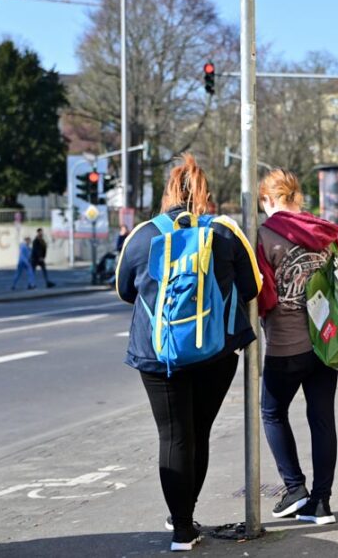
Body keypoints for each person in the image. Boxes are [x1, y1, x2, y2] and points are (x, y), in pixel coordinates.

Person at [115, 154, 261, 552]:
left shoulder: (142, 235)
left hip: (158, 353)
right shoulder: (225, 232)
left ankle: (181, 528)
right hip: (215, 352)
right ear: (205, 194)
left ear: (167, 193)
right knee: (199, 432)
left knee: (174, 436)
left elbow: (125, 290)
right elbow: (252, 288)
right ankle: (187, 514)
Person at [256, 168, 338, 526]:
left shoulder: (264, 235)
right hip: (327, 341)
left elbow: (264, 298)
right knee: (322, 418)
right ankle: (321, 502)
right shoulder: (325, 233)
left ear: (268, 199)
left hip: (286, 345)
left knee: (272, 412)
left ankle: (295, 488)